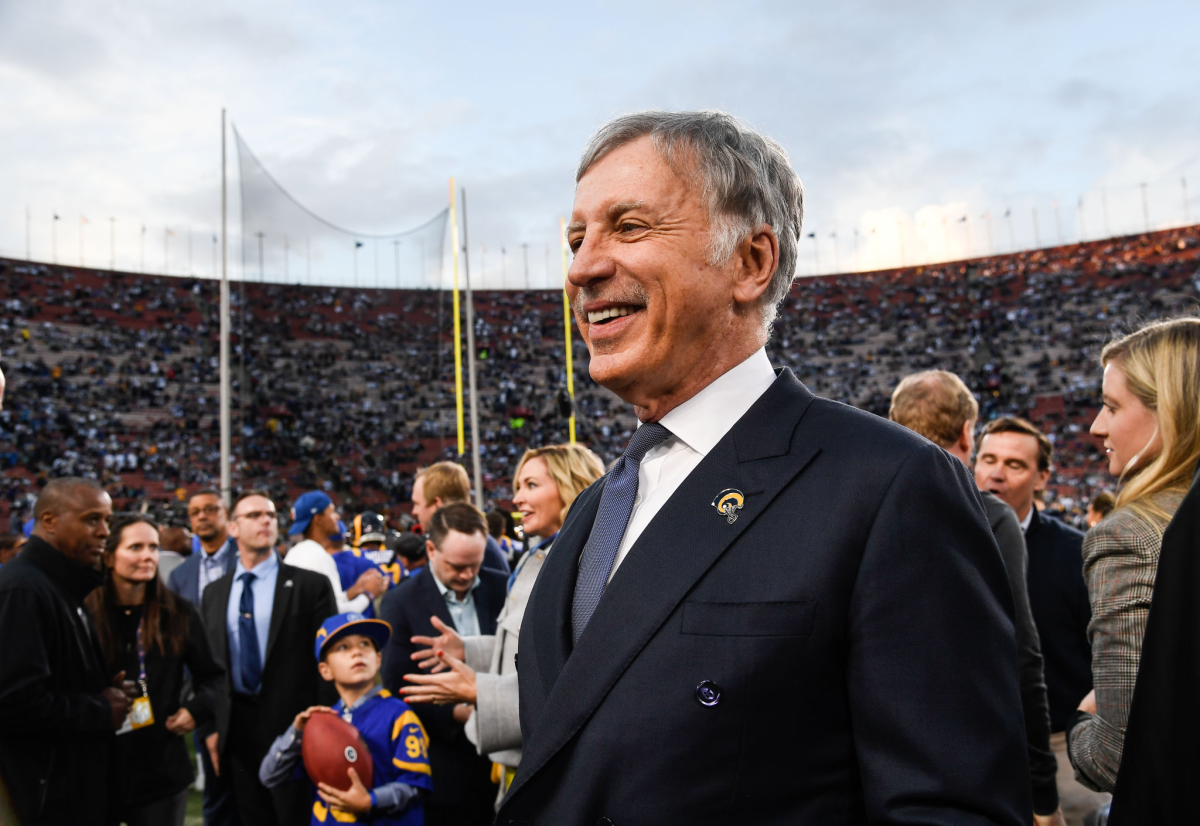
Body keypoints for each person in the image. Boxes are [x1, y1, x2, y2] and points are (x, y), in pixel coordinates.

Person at [498, 110, 1029, 825]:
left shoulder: (887, 487)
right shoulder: (594, 511)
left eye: (628, 227)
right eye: (576, 237)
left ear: (751, 263)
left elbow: (949, 809)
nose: (583, 266)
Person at [889, 370, 1062, 824]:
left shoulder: (849, 495)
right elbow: (1020, 653)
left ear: (889, 420)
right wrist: (1043, 790)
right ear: (968, 432)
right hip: (968, 760)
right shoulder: (990, 515)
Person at [402, 444, 605, 808]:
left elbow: (575, 682)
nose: (517, 498)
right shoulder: (541, 555)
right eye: (517, 486)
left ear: (570, 484)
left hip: (553, 768)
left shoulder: (589, 567)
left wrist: (479, 690)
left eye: (531, 485)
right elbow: (531, 648)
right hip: (520, 761)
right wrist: (472, 650)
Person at [1068, 318, 1200, 794]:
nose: (1096, 425)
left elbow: (1118, 756)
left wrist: (1081, 723)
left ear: (1171, 410)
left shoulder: (1128, 535)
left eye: (1110, 406)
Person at [975, 417, 1101, 825]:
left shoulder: (1076, 553)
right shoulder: (941, 537)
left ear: (1043, 477)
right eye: (988, 458)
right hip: (979, 751)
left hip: (1061, 749)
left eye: (1014, 464)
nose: (996, 472)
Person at [0, 477, 138, 825]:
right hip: (44, 800)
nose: (105, 531)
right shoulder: (24, 590)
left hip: (67, 792)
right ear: (49, 522)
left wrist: (102, 689)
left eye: (107, 520)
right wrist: (99, 708)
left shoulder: (57, 585)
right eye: (92, 519)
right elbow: (13, 704)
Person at [201, 490, 338, 826]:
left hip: (295, 724)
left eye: (271, 514)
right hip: (237, 726)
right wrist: (212, 726)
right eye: (254, 515)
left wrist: (324, 724)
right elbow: (209, 667)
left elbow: (329, 662)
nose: (266, 520)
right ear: (232, 528)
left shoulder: (310, 585)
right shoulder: (214, 592)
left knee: (296, 815)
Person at [85, 514, 226, 826]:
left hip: (160, 769)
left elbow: (213, 676)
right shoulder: (83, 613)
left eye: (153, 547)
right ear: (109, 557)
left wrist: (195, 710)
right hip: (94, 768)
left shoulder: (178, 612)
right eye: (135, 547)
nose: (147, 556)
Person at [380, 503, 507, 826]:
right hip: (447, 763)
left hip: (506, 755)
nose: (466, 575)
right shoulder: (400, 600)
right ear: (432, 549)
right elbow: (398, 684)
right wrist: (460, 713)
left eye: (474, 565)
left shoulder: (503, 586)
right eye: (456, 566)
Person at [259, 612, 433, 825]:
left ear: (378, 659)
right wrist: (295, 733)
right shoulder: (320, 723)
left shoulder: (399, 715)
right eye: (343, 647)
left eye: (365, 644)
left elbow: (416, 785)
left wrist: (370, 800)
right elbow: (269, 776)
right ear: (325, 670)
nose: (357, 652)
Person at [167, 488, 241, 826]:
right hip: (207, 694)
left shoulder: (249, 556)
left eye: (210, 509)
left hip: (249, 685)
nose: (202, 516)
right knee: (216, 789)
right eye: (195, 512)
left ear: (225, 515)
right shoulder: (180, 575)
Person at [286, 490, 387, 614]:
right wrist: (369, 594)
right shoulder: (319, 557)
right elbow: (335, 612)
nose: (337, 517)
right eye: (332, 511)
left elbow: (327, 601)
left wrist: (357, 588)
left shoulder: (296, 553)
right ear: (318, 519)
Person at [411, 463, 509, 574]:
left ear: (437, 505)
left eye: (417, 504)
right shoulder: (482, 545)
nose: (414, 511)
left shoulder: (473, 549)